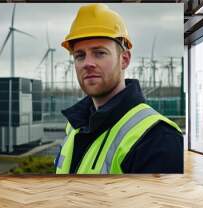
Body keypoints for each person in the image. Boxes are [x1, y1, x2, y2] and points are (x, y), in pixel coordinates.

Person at [55, 3, 183, 174]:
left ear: (124, 59)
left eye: (99, 53)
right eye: (80, 56)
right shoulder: (75, 126)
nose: (87, 63)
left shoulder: (157, 137)